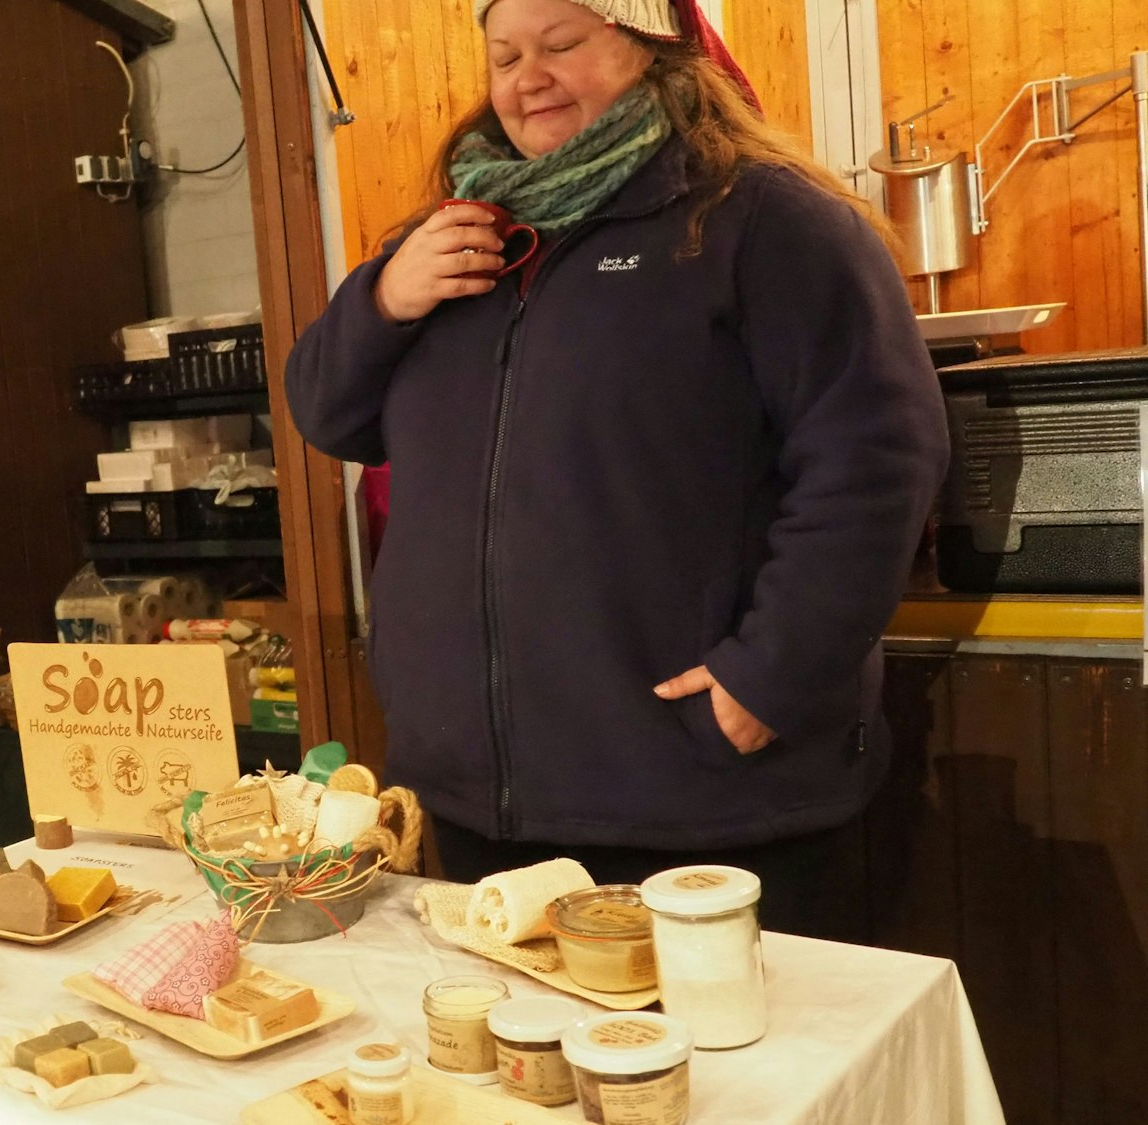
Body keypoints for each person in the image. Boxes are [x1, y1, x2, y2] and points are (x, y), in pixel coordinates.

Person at [285, 0, 949, 937]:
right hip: (477, 799)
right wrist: (383, 299)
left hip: (698, 793)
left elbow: (877, 458)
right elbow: (326, 413)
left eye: (562, 45)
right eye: (505, 56)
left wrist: (769, 676)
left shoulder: (761, 217)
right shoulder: (456, 237)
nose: (528, 78)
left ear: (652, 51)